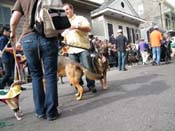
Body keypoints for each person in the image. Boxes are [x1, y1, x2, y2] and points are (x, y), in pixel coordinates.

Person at [10, 0, 60, 121]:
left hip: (28, 38)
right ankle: (51, 112)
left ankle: (40, 111)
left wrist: (13, 33)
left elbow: (14, 20)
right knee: (50, 74)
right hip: (48, 36)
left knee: (36, 75)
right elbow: (59, 16)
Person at [62, 3, 97, 93]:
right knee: (74, 70)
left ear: (72, 9)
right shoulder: (63, 23)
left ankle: (91, 85)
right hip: (71, 50)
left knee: (87, 68)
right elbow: (63, 37)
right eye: (64, 10)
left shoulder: (80, 19)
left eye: (67, 9)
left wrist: (77, 27)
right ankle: (79, 86)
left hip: (82, 48)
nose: (66, 11)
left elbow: (88, 28)